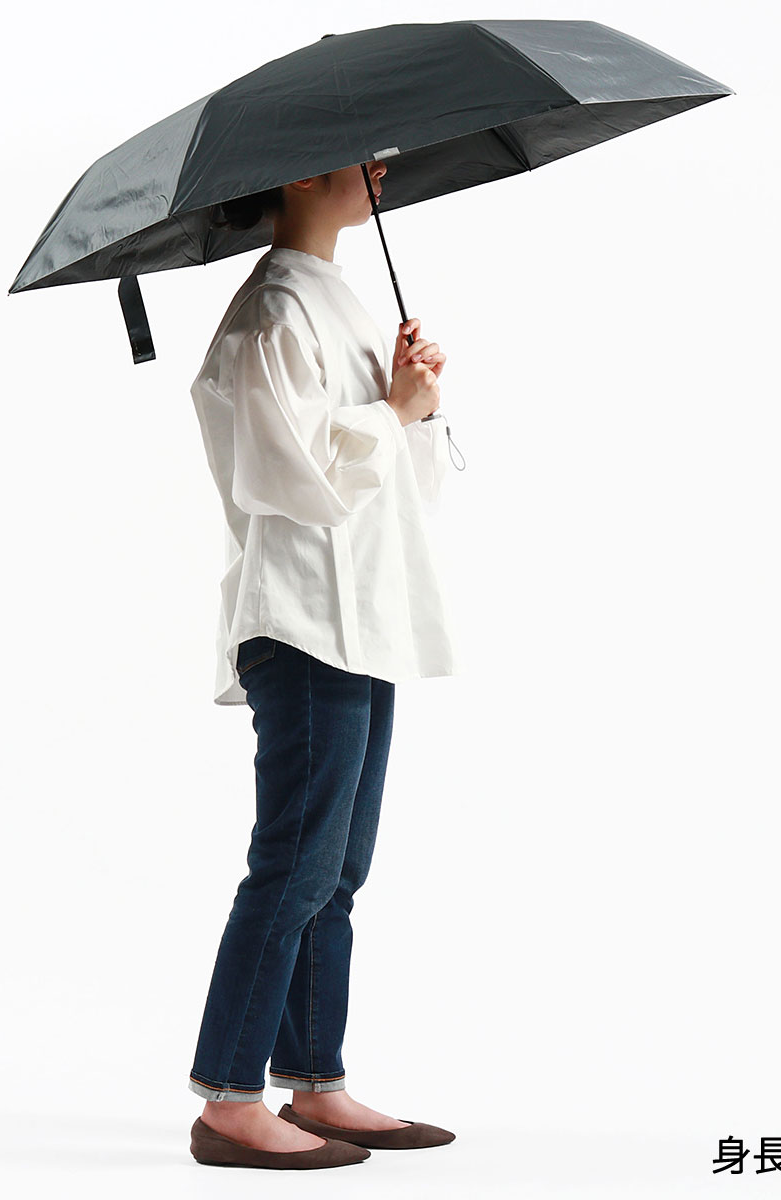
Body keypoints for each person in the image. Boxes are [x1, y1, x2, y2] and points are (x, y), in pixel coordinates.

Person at [186, 158, 459, 1169]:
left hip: (363, 621)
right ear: (300, 172)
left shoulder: (338, 304)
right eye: (363, 153)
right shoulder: (269, 315)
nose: (382, 166)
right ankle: (228, 1101)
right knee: (295, 863)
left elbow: (399, 492)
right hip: (303, 623)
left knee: (337, 871)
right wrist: (391, 414)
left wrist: (415, 403)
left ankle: (314, 1083)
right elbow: (284, 480)